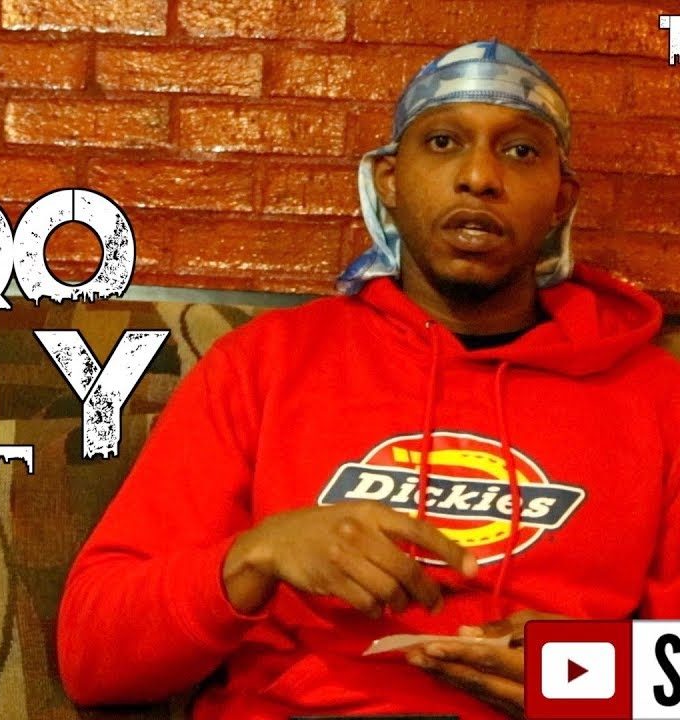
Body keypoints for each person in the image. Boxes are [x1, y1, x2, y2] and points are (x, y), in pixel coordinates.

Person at [57, 40, 680, 719]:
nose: (479, 176)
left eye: (521, 150)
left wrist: (586, 674)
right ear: (389, 179)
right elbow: (92, 657)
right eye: (442, 142)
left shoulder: (657, 397)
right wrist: (255, 557)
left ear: (560, 198)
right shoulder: (263, 363)